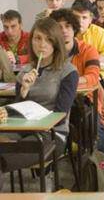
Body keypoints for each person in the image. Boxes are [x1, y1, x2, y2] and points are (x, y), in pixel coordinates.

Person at [50, 9, 104, 175]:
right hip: (52, 102)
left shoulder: (87, 50)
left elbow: (92, 78)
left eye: (68, 26)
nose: (63, 30)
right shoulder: (50, 51)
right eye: (59, 27)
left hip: (84, 101)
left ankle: (100, 170)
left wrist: (66, 83)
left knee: (94, 129)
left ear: (74, 29)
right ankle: (50, 166)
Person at [0, 18, 79, 173]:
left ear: (56, 42)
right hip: (22, 130)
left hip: (52, 134)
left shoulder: (68, 72)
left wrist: (33, 123)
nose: (42, 44)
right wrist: (23, 92)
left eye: (48, 39)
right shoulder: (25, 71)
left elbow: (61, 114)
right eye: (37, 38)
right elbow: (17, 110)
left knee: (2, 159)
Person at [71, 0, 104, 65]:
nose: (80, 22)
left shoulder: (101, 34)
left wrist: (92, 58)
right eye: (76, 17)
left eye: (84, 18)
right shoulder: (64, 32)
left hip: (97, 72)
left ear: (90, 19)